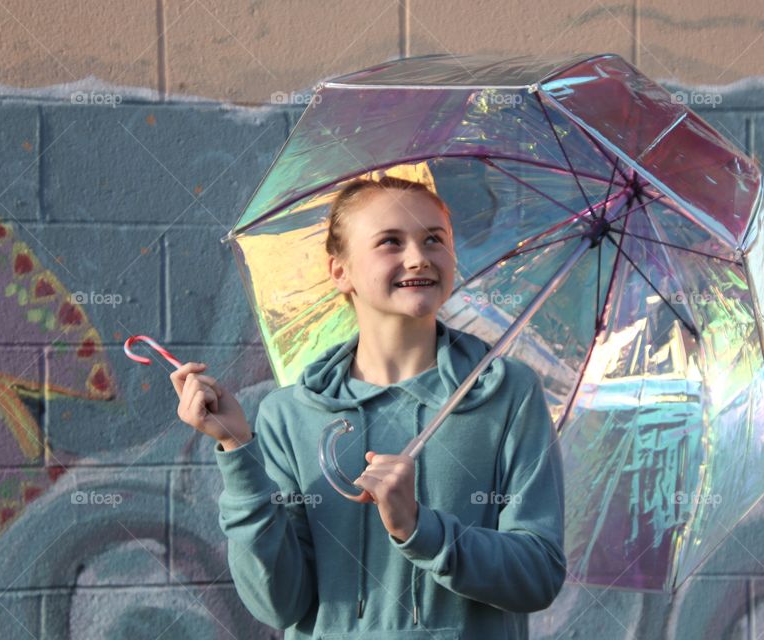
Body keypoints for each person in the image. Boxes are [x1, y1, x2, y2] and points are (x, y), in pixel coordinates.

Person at [170, 175, 566, 639]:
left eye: (434, 239)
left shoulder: (508, 394)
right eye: (390, 242)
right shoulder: (289, 415)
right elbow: (277, 603)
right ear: (340, 271)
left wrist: (420, 528)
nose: (418, 257)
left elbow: (538, 575)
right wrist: (237, 450)